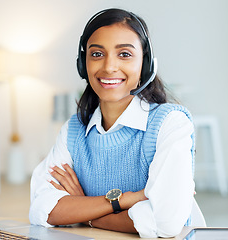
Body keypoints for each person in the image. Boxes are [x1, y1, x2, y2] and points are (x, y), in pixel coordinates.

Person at [29, 8, 206, 238]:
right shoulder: (73, 131)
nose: (109, 67)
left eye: (124, 54)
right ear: (83, 65)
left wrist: (83, 210)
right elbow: (42, 208)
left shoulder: (170, 124)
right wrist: (126, 200)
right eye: (96, 54)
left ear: (146, 64)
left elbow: (164, 221)